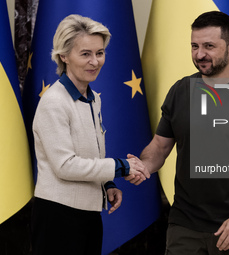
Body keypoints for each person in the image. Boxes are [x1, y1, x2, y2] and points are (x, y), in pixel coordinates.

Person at [126, 11, 229, 255]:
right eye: (194, 46)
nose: (199, 54)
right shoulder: (180, 91)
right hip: (184, 229)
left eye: (209, 46)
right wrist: (144, 165)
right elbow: (160, 147)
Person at [31, 14, 149, 255]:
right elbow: (65, 165)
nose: (95, 61)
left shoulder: (93, 98)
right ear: (64, 56)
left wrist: (106, 184)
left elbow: (89, 153)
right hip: (58, 216)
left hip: (89, 214)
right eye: (85, 53)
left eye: (100, 52)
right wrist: (121, 166)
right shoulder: (54, 102)